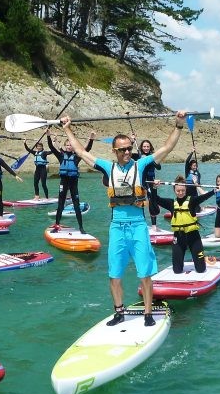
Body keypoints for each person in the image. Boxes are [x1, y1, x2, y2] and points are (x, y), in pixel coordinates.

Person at [60, 112, 186, 326]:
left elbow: (167, 148)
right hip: (117, 226)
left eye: (129, 148)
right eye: (123, 149)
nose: (127, 152)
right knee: (114, 274)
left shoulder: (141, 165)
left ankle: (148, 314)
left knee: (145, 273)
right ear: (114, 151)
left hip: (138, 226)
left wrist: (179, 125)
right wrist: (67, 128)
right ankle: (119, 312)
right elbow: (81, 152)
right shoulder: (107, 167)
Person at [152, 176, 215, 274]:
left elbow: (204, 197)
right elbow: (155, 199)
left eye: (183, 190)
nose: (180, 193)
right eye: (178, 191)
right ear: (174, 190)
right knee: (177, 271)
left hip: (193, 236)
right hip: (178, 237)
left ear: (186, 189)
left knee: (201, 269)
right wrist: (154, 187)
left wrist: (215, 191)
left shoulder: (192, 201)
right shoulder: (171, 203)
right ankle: (189, 259)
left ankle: (200, 258)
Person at [47, 129, 95, 233]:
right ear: (65, 146)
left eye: (70, 145)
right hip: (63, 183)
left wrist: (91, 138)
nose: (69, 147)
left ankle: (81, 228)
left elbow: (87, 149)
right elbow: (51, 147)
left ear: (73, 147)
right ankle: (57, 226)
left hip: (73, 184)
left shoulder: (76, 157)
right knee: (60, 205)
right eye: (67, 145)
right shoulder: (61, 156)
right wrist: (48, 136)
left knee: (76, 205)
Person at [131, 138, 162, 226]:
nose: (146, 148)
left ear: (150, 147)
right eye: (144, 146)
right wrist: (132, 142)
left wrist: (150, 160)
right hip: (141, 182)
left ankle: (154, 226)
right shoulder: (138, 156)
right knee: (139, 201)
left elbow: (159, 167)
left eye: (148, 146)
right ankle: (140, 222)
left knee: (152, 201)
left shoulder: (152, 157)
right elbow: (128, 154)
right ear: (141, 147)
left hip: (151, 182)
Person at [23, 134, 53, 199]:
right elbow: (28, 149)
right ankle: (37, 196)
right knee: (35, 183)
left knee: (43, 184)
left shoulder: (44, 153)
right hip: (37, 170)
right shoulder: (35, 153)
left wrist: (54, 143)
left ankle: (47, 197)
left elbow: (52, 151)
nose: (39, 147)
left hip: (43, 170)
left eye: (40, 146)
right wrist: (25, 143)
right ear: (36, 147)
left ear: (42, 147)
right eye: (38, 146)